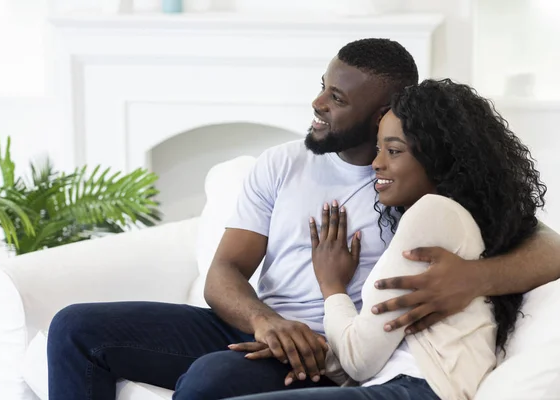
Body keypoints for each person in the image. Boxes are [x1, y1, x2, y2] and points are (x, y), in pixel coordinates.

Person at [46, 39, 560, 400]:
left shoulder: (414, 182)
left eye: (337, 99)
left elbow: (547, 246)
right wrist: (266, 321)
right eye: (322, 86)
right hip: (258, 325)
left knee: (210, 380)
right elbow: (224, 272)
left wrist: (472, 277)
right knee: (75, 328)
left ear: (384, 111)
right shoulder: (281, 163)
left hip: (324, 352)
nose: (317, 103)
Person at [224, 79, 547, 400]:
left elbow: (360, 360)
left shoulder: (433, 214)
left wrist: (332, 286)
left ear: (439, 157)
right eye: (379, 148)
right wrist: (304, 354)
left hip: (417, 390)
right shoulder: (446, 220)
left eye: (393, 151)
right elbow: (365, 359)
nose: (377, 163)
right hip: (395, 386)